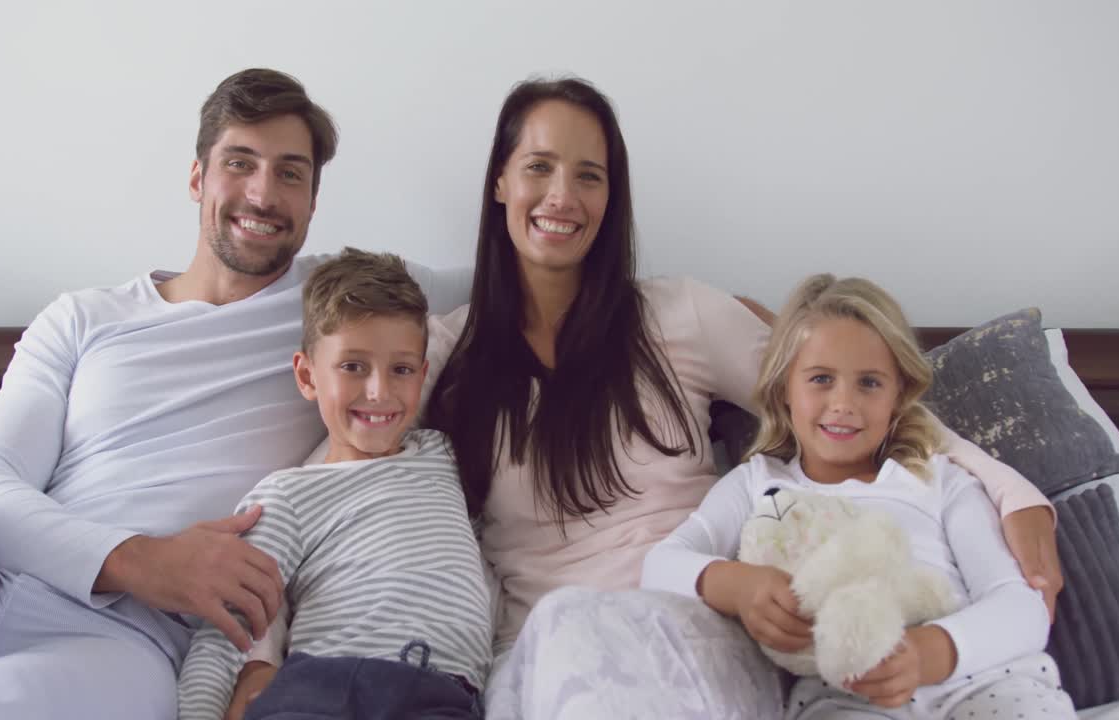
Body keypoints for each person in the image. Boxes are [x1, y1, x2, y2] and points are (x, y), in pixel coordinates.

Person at [422, 77, 1064, 718]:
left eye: (589, 176)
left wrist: (1013, 492)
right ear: (500, 181)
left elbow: (841, 403)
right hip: (534, 652)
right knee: (552, 638)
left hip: (690, 636)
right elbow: (340, 426)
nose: (563, 196)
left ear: (611, 198)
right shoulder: (441, 351)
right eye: (539, 166)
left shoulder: (680, 315)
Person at [0, 69, 470, 720]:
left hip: (124, 642)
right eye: (241, 163)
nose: (263, 193)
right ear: (197, 177)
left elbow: (522, 278)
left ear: (314, 202)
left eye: (291, 173)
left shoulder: (341, 307)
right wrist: (136, 559)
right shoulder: (84, 316)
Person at [641, 273, 1076, 719]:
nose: (843, 403)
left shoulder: (939, 480)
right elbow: (660, 565)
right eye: (821, 379)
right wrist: (738, 586)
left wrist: (933, 651)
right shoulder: (756, 483)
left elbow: (1022, 607)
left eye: (869, 383)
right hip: (847, 695)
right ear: (784, 388)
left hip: (980, 682)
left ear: (898, 395)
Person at [176, 248, 491, 720]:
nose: (379, 391)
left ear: (423, 375)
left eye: (401, 369)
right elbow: (227, 627)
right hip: (321, 683)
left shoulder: (441, 454)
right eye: (353, 366)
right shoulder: (288, 496)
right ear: (307, 375)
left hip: (438, 691)